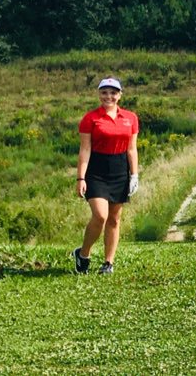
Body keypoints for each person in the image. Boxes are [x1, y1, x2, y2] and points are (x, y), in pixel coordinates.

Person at [72, 77, 139, 275]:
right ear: (99, 94)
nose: (108, 96)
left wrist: (134, 175)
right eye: (104, 92)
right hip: (97, 170)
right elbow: (84, 150)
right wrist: (81, 178)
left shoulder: (130, 118)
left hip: (120, 169)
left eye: (113, 92)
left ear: (119, 95)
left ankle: (108, 262)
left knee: (114, 219)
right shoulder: (90, 118)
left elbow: (132, 149)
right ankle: (83, 254)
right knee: (100, 216)